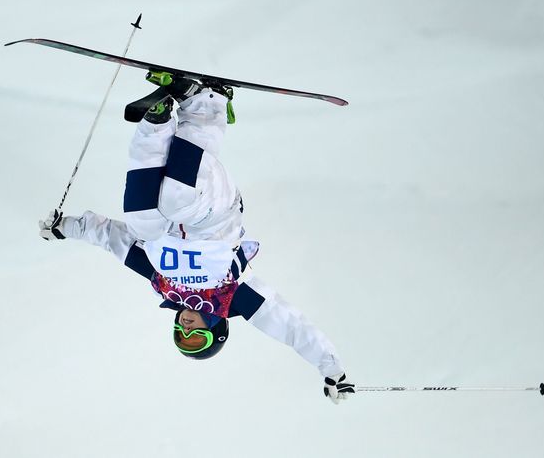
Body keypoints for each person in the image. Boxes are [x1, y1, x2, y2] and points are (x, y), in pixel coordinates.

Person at [39, 73, 354, 403]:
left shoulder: (162, 282)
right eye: (196, 337)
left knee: (142, 223)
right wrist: (332, 369)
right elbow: (291, 327)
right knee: (177, 200)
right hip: (215, 212)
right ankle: (208, 103)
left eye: (181, 335)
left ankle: (157, 121)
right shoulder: (236, 297)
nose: (186, 328)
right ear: (215, 330)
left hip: (170, 214)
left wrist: (66, 227)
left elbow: (112, 239)